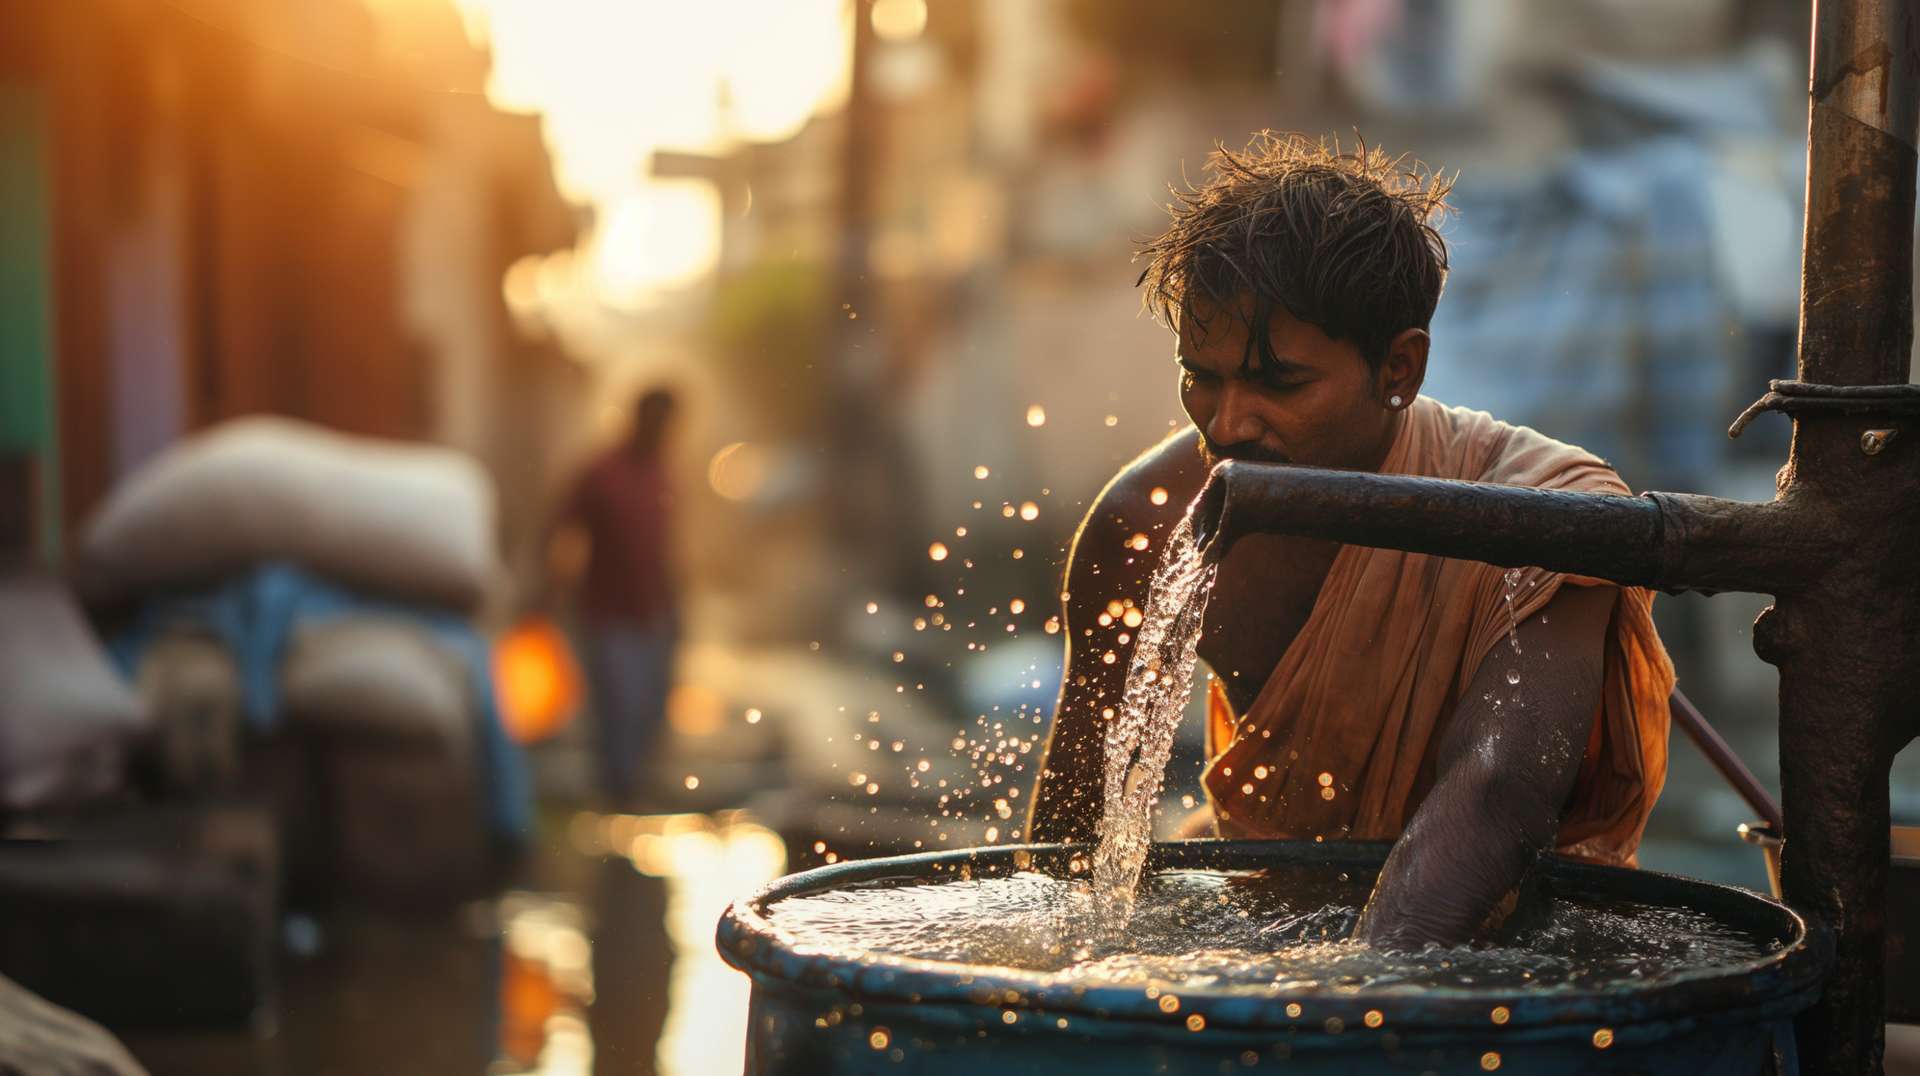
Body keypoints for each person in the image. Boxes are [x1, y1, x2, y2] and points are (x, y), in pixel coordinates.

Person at [1027, 134, 1674, 950]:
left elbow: (1499, 791)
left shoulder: (1547, 514)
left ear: (1399, 369)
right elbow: (1068, 850)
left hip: (1506, 954)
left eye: (1279, 383)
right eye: (1202, 376)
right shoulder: (1149, 522)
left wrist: (1358, 1003)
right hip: (1263, 924)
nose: (1227, 426)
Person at [546, 387, 680, 809]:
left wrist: (677, 608)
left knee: (649, 711)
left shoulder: (661, 474)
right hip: (608, 615)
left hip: (653, 613)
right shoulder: (601, 473)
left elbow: (665, 549)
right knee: (616, 710)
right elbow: (559, 528)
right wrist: (547, 590)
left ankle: (630, 795)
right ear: (639, 419)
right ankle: (616, 800)